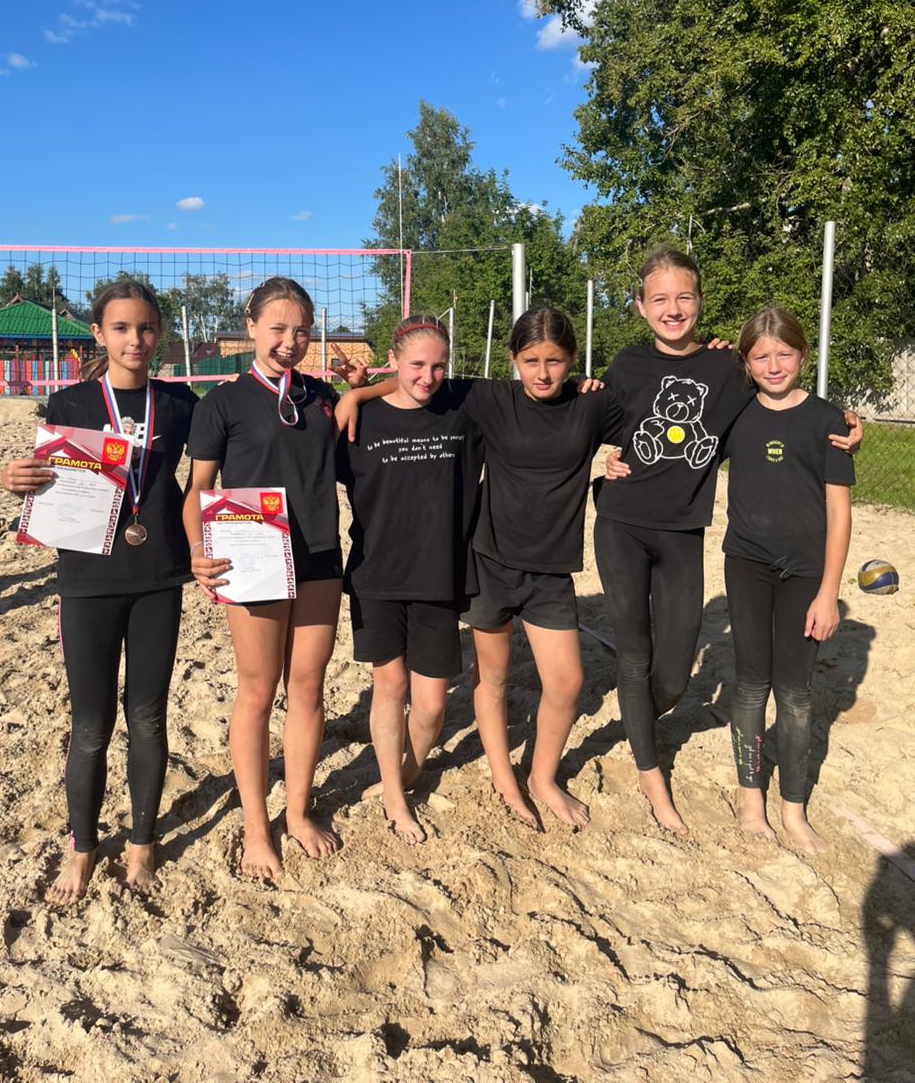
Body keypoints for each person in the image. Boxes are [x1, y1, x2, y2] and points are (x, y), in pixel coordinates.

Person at [596, 248, 861, 834]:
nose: (672, 309)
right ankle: (651, 776)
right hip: (621, 524)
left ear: (699, 301)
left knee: (672, 674)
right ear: (640, 306)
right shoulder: (626, 363)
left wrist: (847, 423)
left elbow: (786, 400)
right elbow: (590, 423)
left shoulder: (728, 369)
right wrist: (601, 466)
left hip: (683, 533)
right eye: (659, 299)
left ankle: (640, 718)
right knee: (635, 654)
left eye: (683, 297)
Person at [339, 306, 623, 832]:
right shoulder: (481, 398)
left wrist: (616, 463)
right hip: (461, 565)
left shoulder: (578, 403)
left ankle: (539, 777)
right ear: (513, 359)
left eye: (555, 361)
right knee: (464, 680)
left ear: (571, 360)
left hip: (517, 569)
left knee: (559, 683)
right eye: (531, 360)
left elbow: (652, 421)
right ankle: (482, 780)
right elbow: (416, 384)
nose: (543, 372)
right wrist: (357, 394)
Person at [0, 280, 198, 905]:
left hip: (159, 574)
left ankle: (141, 841)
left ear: (159, 333)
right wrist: (14, 478)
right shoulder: (70, 402)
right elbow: (44, 478)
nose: (135, 339)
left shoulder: (180, 404)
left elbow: (231, 453)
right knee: (90, 724)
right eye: (121, 328)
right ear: (99, 334)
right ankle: (82, 846)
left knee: (148, 716)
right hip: (87, 579)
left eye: (146, 327)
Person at [183, 276, 367, 882]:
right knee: (258, 692)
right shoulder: (221, 402)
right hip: (252, 555)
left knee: (308, 690)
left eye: (302, 331)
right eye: (279, 328)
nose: (290, 341)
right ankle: (257, 829)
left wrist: (359, 388)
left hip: (318, 556)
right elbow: (198, 490)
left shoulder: (322, 396)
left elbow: (389, 402)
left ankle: (298, 814)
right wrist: (198, 551)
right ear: (252, 326)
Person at [336, 316, 484, 843]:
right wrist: (356, 395)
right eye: (417, 364)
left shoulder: (462, 408)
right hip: (377, 573)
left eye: (439, 365)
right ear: (393, 361)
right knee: (390, 685)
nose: (428, 376)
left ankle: (407, 772)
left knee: (433, 704)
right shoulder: (360, 420)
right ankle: (396, 798)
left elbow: (537, 391)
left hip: (440, 574)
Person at [721, 309, 853, 853]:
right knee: (751, 684)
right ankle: (750, 799)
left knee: (795, 694)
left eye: (784, 353)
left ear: (802, 354)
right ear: (746, 361)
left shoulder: (828, 421)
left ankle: (793, 808)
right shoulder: (734, 412)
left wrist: (829, 592)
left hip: (806, 573)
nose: (773, 365)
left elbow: (839, 513)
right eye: (761, 356)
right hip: (746, 565)